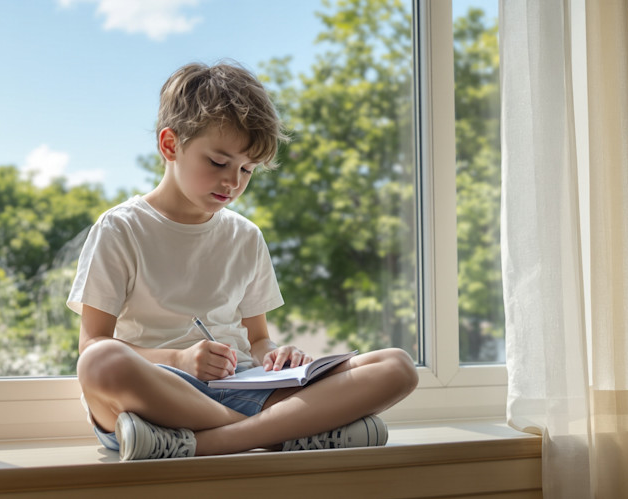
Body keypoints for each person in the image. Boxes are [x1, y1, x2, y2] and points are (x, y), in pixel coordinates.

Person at [67, 61, 418, 461]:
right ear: (170, 146)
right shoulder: (121, 228)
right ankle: (289, 430)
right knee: (100, 362)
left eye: (247, 169)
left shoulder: (246, 236)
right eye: (218, 162)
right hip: (161, 394)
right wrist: (179, 359)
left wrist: (277, 355)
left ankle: (206, 444)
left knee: (397, 366)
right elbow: (93, 343)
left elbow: (257, 340)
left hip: (242, 387)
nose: (233, 182)